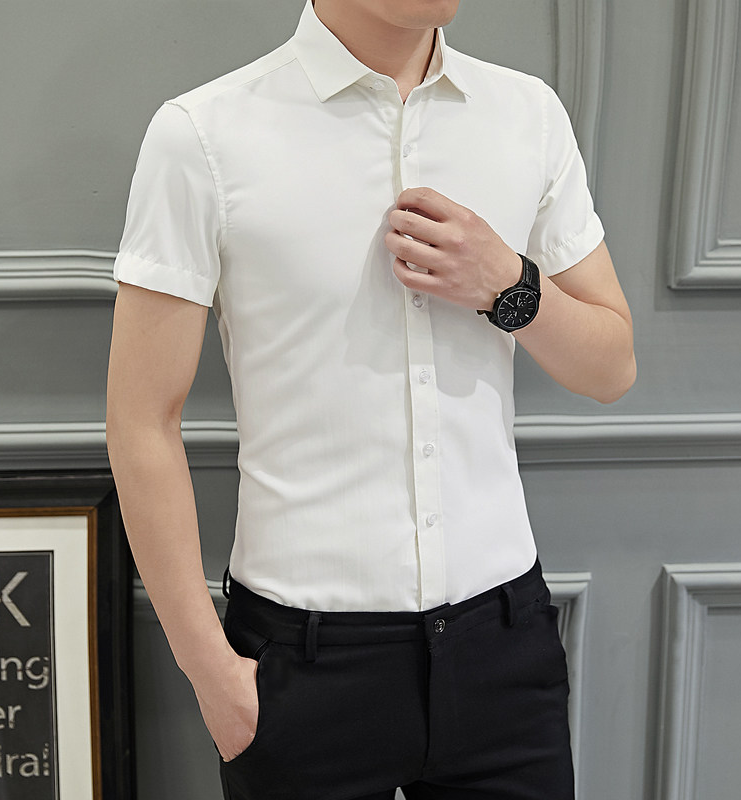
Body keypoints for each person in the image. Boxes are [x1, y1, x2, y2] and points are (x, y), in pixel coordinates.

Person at [106, 1, 635, 798]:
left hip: (503, 652)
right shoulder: (204, 136)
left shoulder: (527, 115)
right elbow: (141, 420)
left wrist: (508, 283)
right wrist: (213, 676)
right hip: (300, 667)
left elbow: (611, 366)